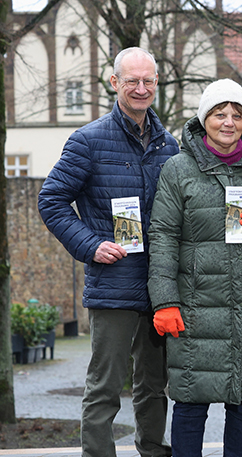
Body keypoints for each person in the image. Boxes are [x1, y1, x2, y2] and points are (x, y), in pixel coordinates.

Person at [147, 79, 242, 457]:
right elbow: (163, 236)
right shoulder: (179, 169)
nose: (229, 122)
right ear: (205, 119)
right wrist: (164, 301)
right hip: (195, 307)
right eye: (220, 114)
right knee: (190, 400)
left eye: (237, 114)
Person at [37, 47, 176, 457]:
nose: (140, 88)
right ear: (114, 82)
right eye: (131, 80)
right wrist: (90, 245)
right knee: (105, 387)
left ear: (156, 84)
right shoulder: (88, 140)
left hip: (158, 286)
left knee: (155, 386)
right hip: (113, 284)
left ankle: (153, 450)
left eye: (148, 80)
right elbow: (51, 200)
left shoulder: (170, 144)